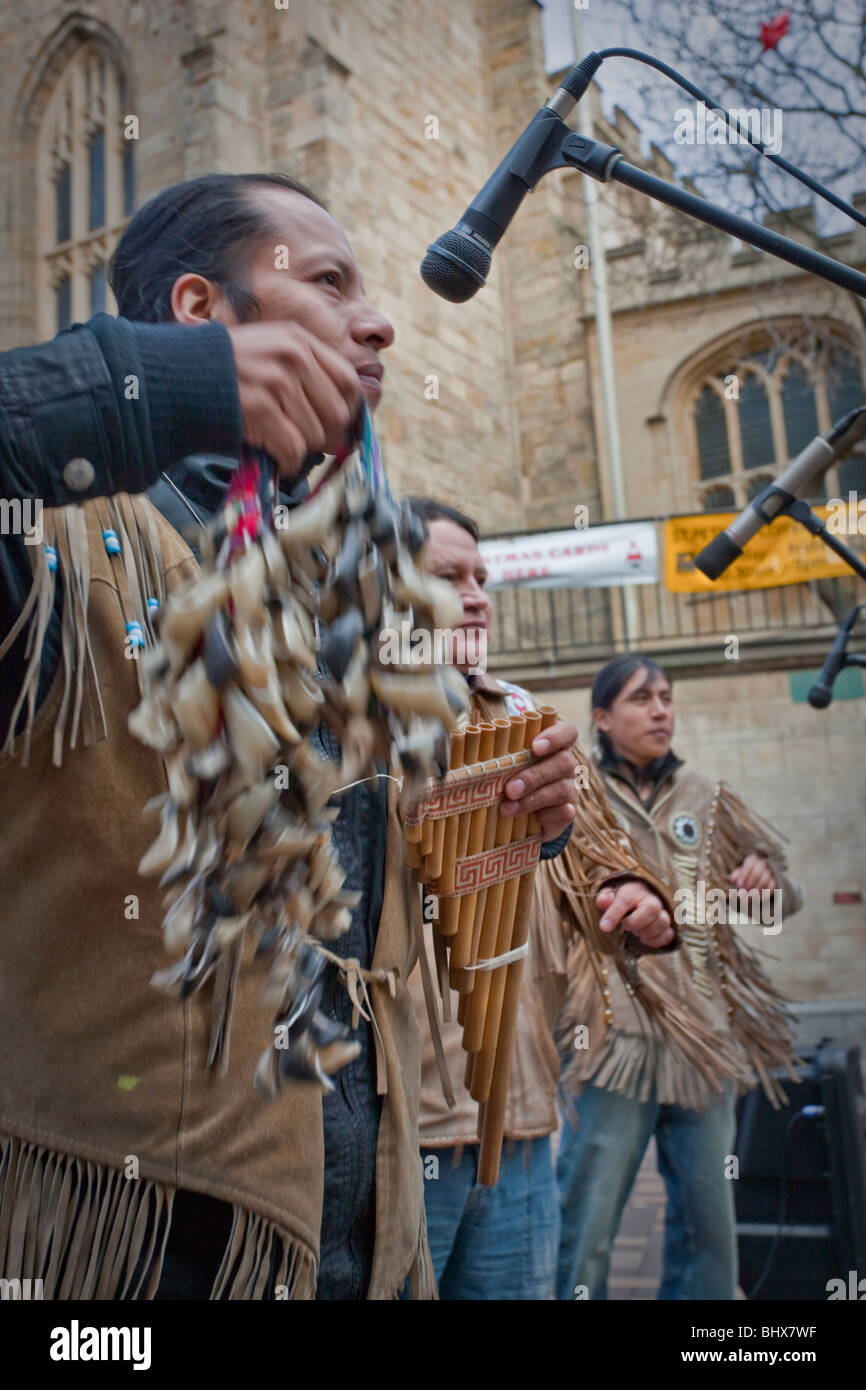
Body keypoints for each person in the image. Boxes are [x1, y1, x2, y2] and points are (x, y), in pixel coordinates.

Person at [0, 172, 579, 1300]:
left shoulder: (345, 596)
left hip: (355, 1228)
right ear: (196, 312)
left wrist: (521, 833)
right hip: (135, 1255)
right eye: (326, 281)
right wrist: (144, 389)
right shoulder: (53, 543)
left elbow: (386, 904)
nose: (379, 319)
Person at [404, 500, 678, 1300]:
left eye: (482, 577)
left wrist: (634, 900)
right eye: (448, 577)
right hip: (400, 1129)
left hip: (522, 1118)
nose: (478, 594)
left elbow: (597, 864)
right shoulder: (346, 724)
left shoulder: (525, 719)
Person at [555, 654, 803, 1301]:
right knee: (586, 1226)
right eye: (641, 698)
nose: (661, 709)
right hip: (612, 1045)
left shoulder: (708, 796)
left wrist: (765, 884)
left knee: (709, 1230)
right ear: (602, 718)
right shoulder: (577, 800)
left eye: (666, 696)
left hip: (704, 1042)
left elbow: (784, 900)